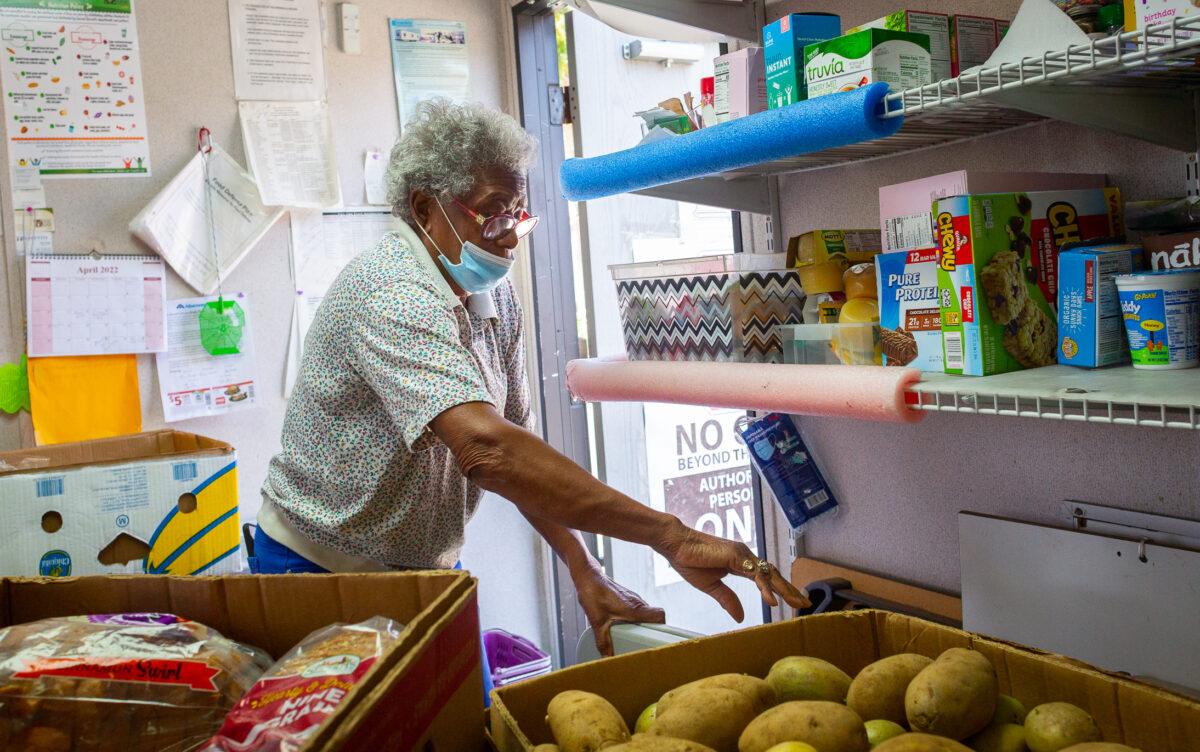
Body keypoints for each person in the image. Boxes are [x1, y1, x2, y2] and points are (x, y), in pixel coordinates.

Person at [253, 99, 806, 662]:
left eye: (519, 215)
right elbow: (487, 449)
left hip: (423, 570)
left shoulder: (492, 296)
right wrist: (672, 536)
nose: (511, 238)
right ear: (425, 207)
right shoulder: (389, 292)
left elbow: (516, 448)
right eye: (494, 214)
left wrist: (582, 565)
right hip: (320, 567)